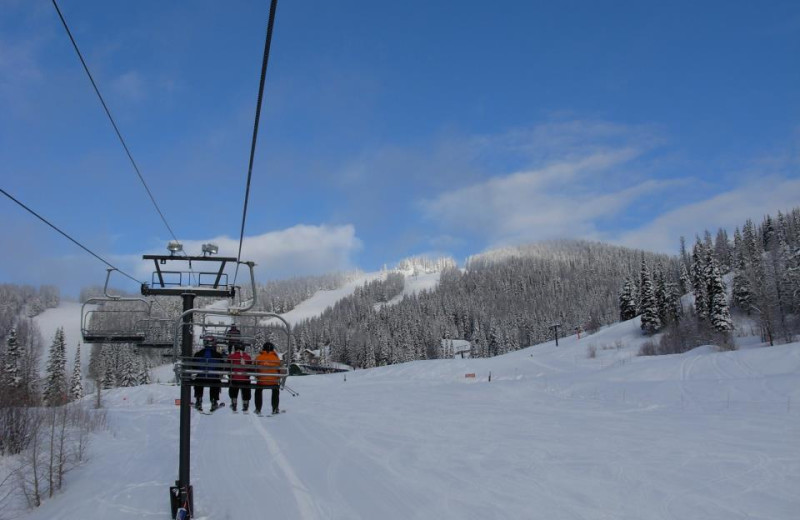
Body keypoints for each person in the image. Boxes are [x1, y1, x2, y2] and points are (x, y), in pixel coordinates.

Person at [193, 335, 223, 412]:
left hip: (201, 378)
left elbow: (193, 366)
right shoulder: (217, 355)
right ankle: (214, 401)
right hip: (213, 378)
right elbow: (221, 367)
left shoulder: (199, 354)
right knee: (216, 381)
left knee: (198, 380)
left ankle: (198, 400)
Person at [254, 341, 282, 415]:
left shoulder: (259, 357)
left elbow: (255, 369)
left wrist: (258, 376)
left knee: (258, 390)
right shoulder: (276, 358)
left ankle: (258, 409)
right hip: (273, 381)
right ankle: (275, 408)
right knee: (275, 390)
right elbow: (280, 370)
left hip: (261, 381)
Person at [227, 341, 252, 412]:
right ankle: (245, 404)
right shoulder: (247, 357)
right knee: (246, 386)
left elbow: (227, 368)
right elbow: (250, 368)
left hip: (234, 379)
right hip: (245, 380)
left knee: (233, 385)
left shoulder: (231, 356)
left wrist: (230, 376)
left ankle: (234, 403)